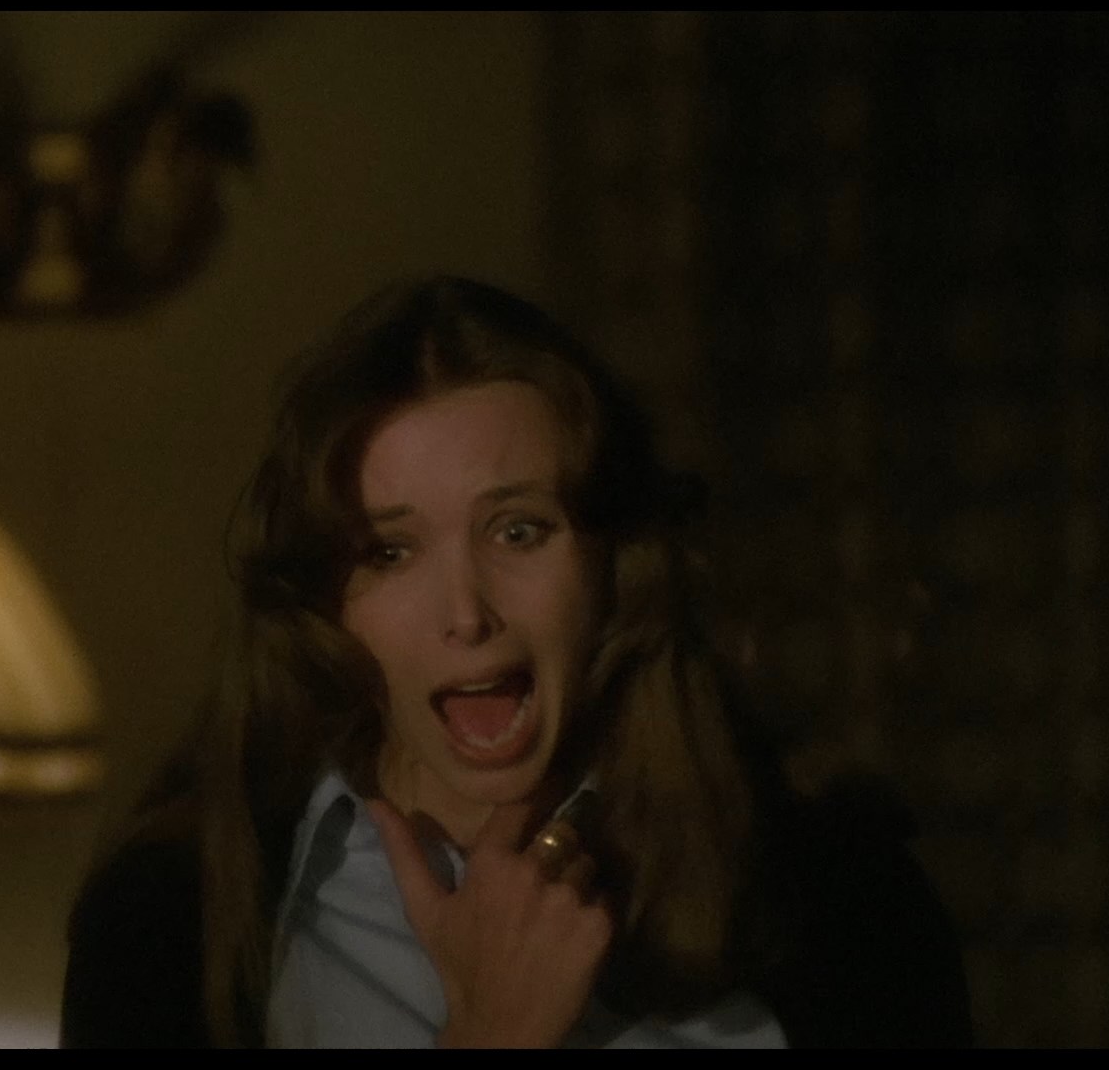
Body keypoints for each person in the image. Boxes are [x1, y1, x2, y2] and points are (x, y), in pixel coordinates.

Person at [60, 276, 973, 1048]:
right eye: (390, 552)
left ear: (610, 562)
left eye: (519, 531)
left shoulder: (837, 887)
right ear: (328, 605)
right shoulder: (171, 914)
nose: (467, 616)